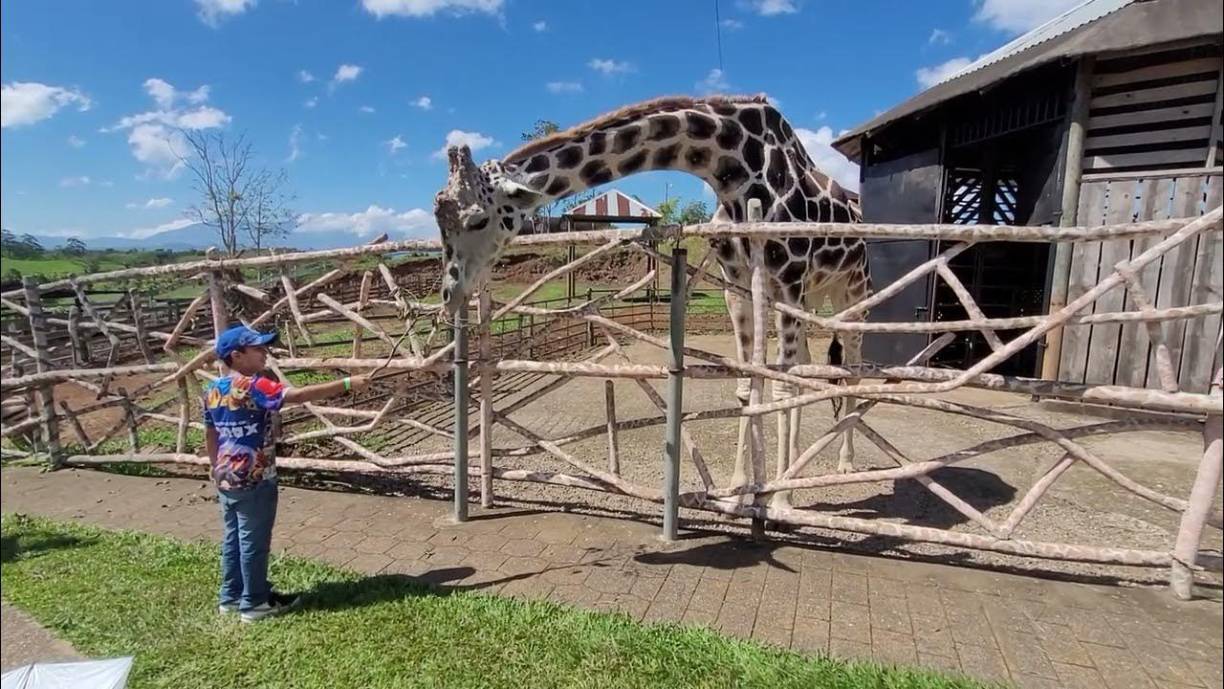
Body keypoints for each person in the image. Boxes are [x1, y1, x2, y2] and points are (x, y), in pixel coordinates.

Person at [203, 324, 371, 622]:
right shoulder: (254, 385)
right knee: (254, 541)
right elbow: (298, 395)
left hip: (226, 476)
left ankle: (231, 596)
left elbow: (211, 433)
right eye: (257, 349)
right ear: (237, 356)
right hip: (255, 477)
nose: (264, 353)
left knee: (233, 538)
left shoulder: (212, 390)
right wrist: (347, 383)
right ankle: (254, 603)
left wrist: (215, 465)